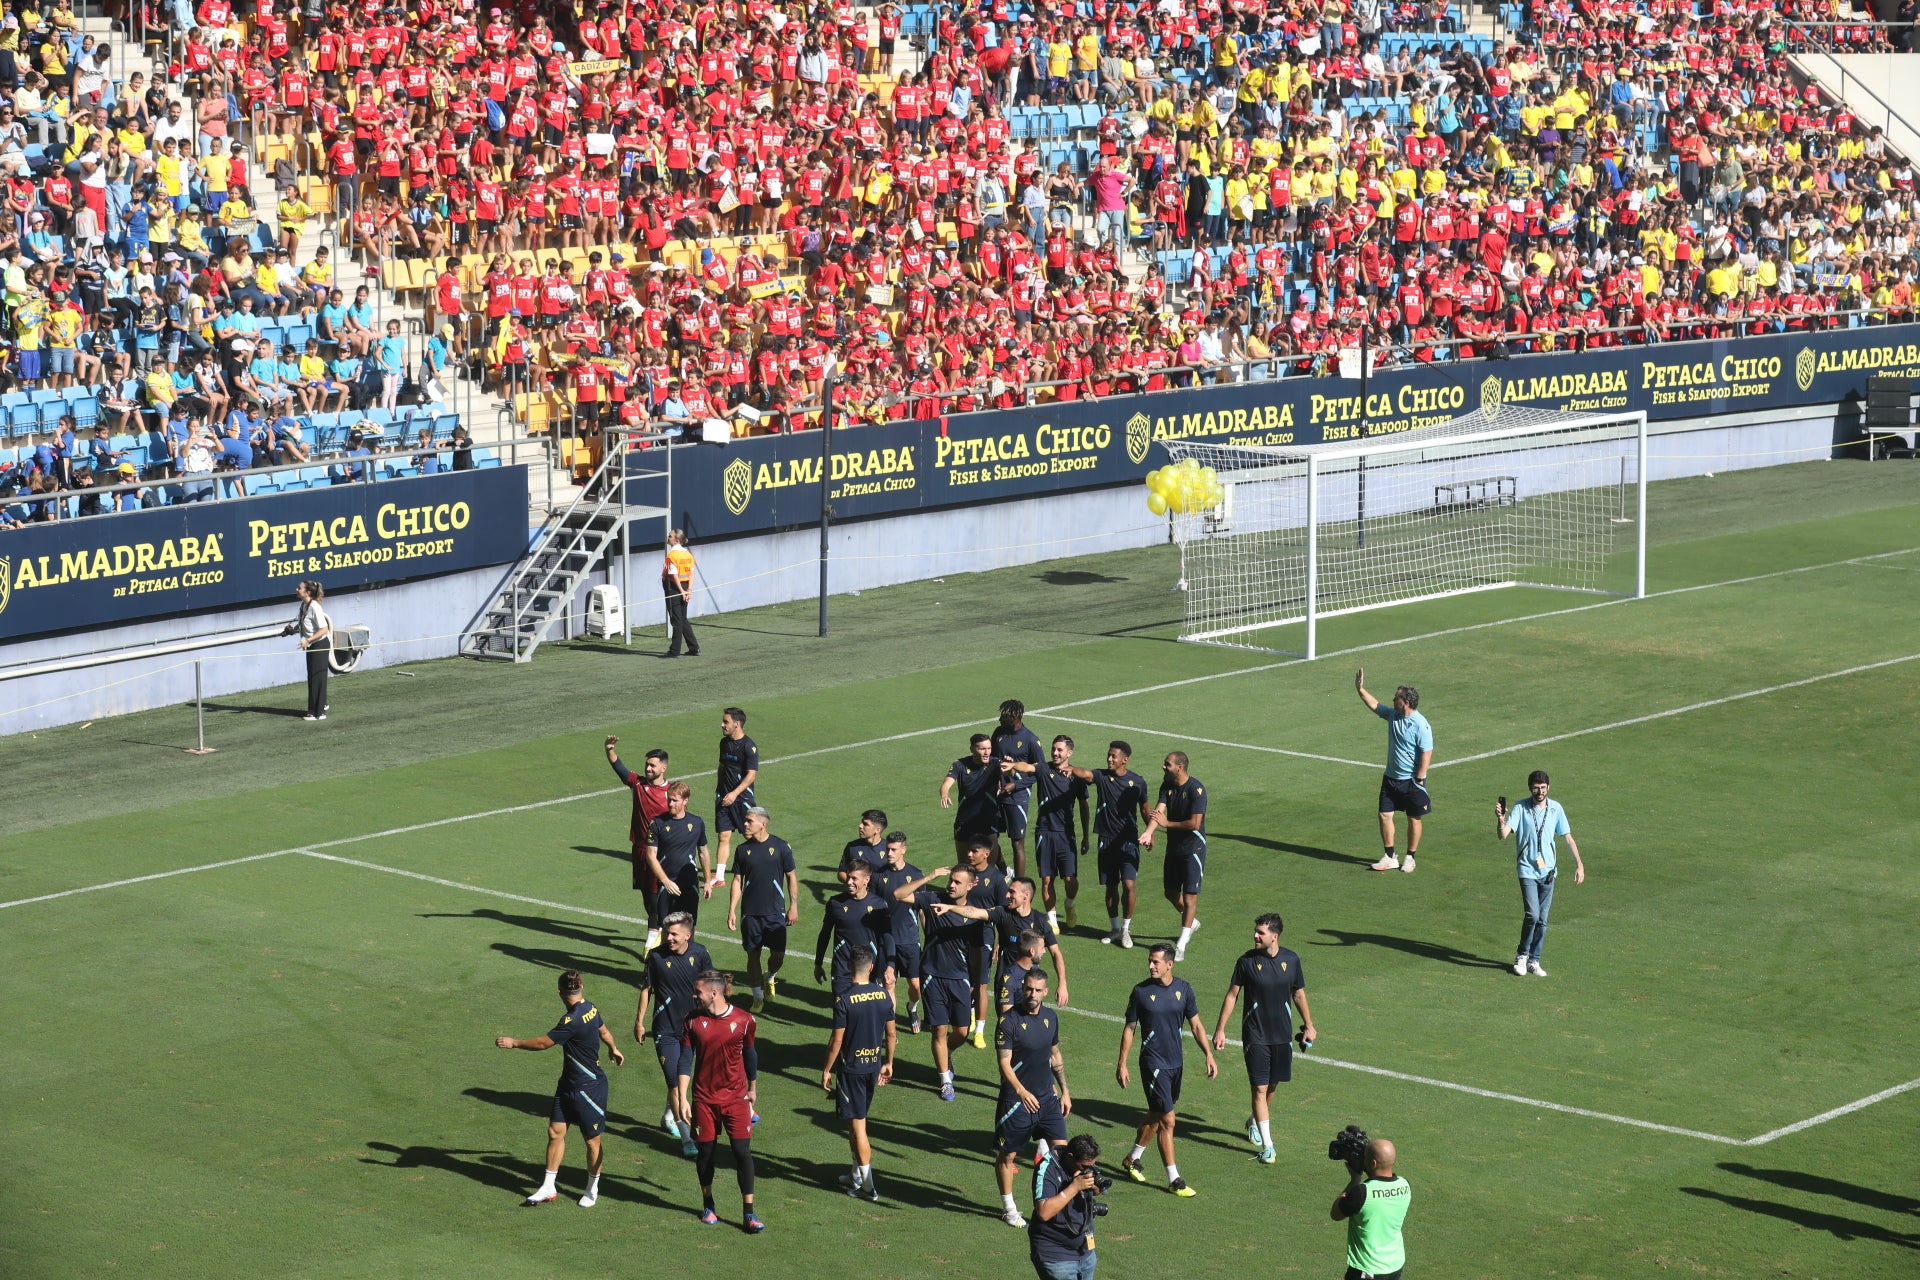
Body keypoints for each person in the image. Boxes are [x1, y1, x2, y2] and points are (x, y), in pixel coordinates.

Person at [494, 968, 626, 1207]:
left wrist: (514, 1043)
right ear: (581, 987)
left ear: (560, 993)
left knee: (592, 1141)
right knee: (555, 1132)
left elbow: (544, 1043)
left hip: (589, 1089)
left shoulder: (571, 1020)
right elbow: (604, 1030)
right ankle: (547, 1187)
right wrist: (613, 1048)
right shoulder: (590, 1008)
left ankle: (592, 1189)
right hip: (568, 1084)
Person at [1212, 913, 1314, 1165]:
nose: (1255, 935)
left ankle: (1255, 1120)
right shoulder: (1246, 962)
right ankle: (1268, 1146)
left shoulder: (1291, 960)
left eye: (1261, 932)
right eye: (1255, 931)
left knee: (1272, 1086)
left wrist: (1310, 1026)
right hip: (1255, 1035)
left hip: (1282, 1035)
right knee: (1259, 1087)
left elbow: (1299, 995)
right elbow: (1232, 995)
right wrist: (1220, 1029)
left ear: (1274, 936)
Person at [1116, 944, 1216, 1197]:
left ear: (1169, 964)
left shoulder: (1184, 989)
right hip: (1153, 1064)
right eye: (1150, 961)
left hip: (1175, 1064)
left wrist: (1208, 1054)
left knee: (1155, 1115)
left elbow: (1195, 1025)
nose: (1151, 965)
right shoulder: (1140, 992)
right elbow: (1130, 1028)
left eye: (1156, 962)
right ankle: (1174, 1179)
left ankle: (1132, 1159)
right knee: (1168, 1120)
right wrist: (1122, 1063)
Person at [676, 970, 765, 1232]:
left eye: (698, 992)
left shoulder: (745, 1020)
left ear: (714, 993)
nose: (695, 995)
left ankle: (749, 1213)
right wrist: (682, 1097)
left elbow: (750, 1055)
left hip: (736, 1099)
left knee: (742, 1153)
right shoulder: (692, 1021)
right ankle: (708, 1203)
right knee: (706, 1153)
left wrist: (752, 1089)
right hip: (704, 1099)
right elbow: (684, 1060)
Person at [890, 862, 986, 1099]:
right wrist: (929, 875)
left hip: (960, 979)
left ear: (972, 885)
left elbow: (975, 952)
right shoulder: (933, 898)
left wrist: (975, 982)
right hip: (932, 976)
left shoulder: (975, 915)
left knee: (962, 1032)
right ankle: (945, 1080)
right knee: (939, 1031)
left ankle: (947, 1054)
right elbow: (898, 894)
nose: (951, 885)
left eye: (957, 882)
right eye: (951, 880)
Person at [993, 967, 1072, 1228]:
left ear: (1046, 992)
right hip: (1016, 1103)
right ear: (1022, 988)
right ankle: (1009, 1208)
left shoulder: (1050, 1018)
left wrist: (1065, 1091)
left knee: (1063, 1153)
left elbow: (1055, 1055)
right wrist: (1021, 1091)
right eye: (1028, 989)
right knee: (1008, 1156)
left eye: (1038, 990)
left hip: (1047, 1099)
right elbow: (1004, 1063)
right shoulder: (1009, 1021)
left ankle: (1055, 1203)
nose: (1032, 994)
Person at [820, 944, 897, 1202]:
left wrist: (827, 1069)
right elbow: (892, 1034)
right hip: (873, 1067)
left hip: (851, 1070)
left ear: (848, 967)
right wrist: (889, 1062)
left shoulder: (844, 999)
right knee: (856, 1124)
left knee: (858, 1126)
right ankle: (855, 1174)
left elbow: (836, 1042)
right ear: (872, 967)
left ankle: (868, 1187)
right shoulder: (884, 995)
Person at [634, 912, 713, 1155]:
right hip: (665, 1030)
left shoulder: (700, 954)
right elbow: (646, 989)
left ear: (688, 935)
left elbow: (711, 988)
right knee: (676, 1083)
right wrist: (639, 1022)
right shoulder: (656, 957)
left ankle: (669, 1116)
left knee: (687, 1079)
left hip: (693, 1028)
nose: (669, 937)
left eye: (674, 934)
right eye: (667, 933)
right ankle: (687, 1139)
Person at [1495, 771, 1585, 977]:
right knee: (1532, 915)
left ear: (1548, 788)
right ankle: (1522, 955)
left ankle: (1534, 960)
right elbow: (1503, 835)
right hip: (1527, 870)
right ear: (1530, 788)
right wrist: (1500, 818)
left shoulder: (1556, 809)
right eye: (1536, 788)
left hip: (1549, 872)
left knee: (1543, 919)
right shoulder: (1520, 808)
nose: (1540, 792)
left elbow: (1568, 838)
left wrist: (1579, 864)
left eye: (1543, 788)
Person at [1064, 742, 1152, 948]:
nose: (1109, 759)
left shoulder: (1137, 782)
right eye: (1108, 755)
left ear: (1125, 759)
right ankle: (1114, 928)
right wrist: (1071, 769)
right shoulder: (1102, 776)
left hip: (1128, 841)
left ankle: (1125, 930)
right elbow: (1085, 774)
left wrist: (1150, 832)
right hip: (1106, 840)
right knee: (1111, 886)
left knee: (1129, 885)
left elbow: (1145, 807)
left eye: (1113, 756)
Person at [1355, 670, 1433, 873]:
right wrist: (1360, 689)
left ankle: (1410, 857)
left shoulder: (1420, 725)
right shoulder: (1393, 715)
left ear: (1405, 701)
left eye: (1396, 696)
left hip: (1411, 780)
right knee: (1384, 815)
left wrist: (1420, 778)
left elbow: (1427, 752)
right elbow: (1375, 705)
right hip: (1390, 778)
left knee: (1413, 818)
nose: (1393, 699)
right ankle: (1390, 856)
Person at [726, 805, 798, 1012]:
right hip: (750, 913)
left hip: (775, 912)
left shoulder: (781, 847)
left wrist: (793, 905)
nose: (745, 824)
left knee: (778, 956)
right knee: (753, 955)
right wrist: (732, 909)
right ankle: (757, 996)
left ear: (763, 823)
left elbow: (791, 876)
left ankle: (770, 976)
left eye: (749, 821)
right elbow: (738, 881)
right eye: (745, 820)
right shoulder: (742, 850)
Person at [1138, 751, 1208, 961]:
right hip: (1174, 847)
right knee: (1170, 892)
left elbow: (1195, 823)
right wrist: (1148, 833)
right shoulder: (1166, 786)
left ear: (1179, 767)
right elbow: (1158, 812)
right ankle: (1191, 922)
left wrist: (1167, 824)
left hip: (1193, 849)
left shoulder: (1197, 789)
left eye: (1167, 764)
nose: (1163, 767)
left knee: (1189, 897)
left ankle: (1181, 943)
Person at [606, 736, 671, 928]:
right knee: (646, 899)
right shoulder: (638, 784)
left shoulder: (671, 793)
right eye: (647, 765)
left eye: (652, 765)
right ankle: (658, 930)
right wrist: (609, 749)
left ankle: (654, 942)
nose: (648, 768)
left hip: (659, 853)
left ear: (663, 768)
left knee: (655, 903)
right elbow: (620, 768)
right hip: (639, 851)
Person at [1027, 735, 1090, 931]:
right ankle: (1052, 920)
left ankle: (1069, 904)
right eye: (1054, 749)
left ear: (1069, 753)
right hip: (1044, 832)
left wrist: (1086, 836)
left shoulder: (1076, 777)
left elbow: (1084, 806)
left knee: (1070, 879)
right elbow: (1027, 767)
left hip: (1066, 834)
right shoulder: (1044, 769)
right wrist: (1010, 765)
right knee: (1047, 878)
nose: (1055, 753)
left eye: (1060, 750)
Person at [1330, 1136, 1410, 1280]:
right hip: (1395, 1265)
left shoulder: (1361, 1193)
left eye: (1365, 1156)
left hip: (1368, 1270)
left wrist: (1354, 1180)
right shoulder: (1405, 1185)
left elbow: (1335, 1213)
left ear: (1373, 1163)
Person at [814, 861, 897, 996]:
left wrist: (890, 966)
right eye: (848, 877)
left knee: (867, 1013)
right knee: (841, 1012)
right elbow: (825, 934)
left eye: (854, 878)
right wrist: (818, 964)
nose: (849, 882)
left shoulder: (879, 905)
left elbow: (887, 937)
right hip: (842, 970)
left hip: (869, 969)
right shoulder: (835, 903)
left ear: (866, 880)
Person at [871, 831, 925, 1033]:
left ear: (904, 850)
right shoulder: (878, 875)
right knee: (888, 983)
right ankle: (890, 1030)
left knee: (916, 985)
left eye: (893, 849)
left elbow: (922, 908)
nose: (889, 853)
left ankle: (912, 1008)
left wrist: (929, 935)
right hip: (886, 939)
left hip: (909, 939)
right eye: (887, 849)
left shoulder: (916, 875)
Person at [1030, 1133, 1102, 1280]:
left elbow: (1098, 1191)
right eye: (1085, 1166)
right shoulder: (1047, 1168)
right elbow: (1043, 1212)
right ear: (1070, 1156)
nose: (1088, 1170)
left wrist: (1095, 1187)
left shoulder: (1085, 1164)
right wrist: (1074, 1187)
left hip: (1085, 1251)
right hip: (1056, 1256)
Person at [645, 781, 714, 930]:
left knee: (688, 927)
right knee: (666, 928)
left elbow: (703, 852)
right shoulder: (657, 823)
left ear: (685, 800)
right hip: (667, 885)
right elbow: (650, 855)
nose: (670, 803)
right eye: (669, 799)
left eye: (675, 800)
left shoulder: (697, 823)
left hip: (689, 884)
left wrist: (708, 881)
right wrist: (665, 881)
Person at [991, 699, 1045, 879]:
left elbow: (1040, 772)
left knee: (1017, 844)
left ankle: (1019, 884)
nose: (1000, 719)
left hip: (1018, 797)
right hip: (997, 794)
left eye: (1004, 715)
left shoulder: (1030, 740)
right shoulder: (999, 733)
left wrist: (1016, 785)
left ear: (1016, 716)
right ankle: (1005, 871)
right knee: (989, 838)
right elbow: (992, 760)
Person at [713, 707, 759, 884]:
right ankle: (719, 876)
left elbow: (751, 775)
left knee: (750, 835)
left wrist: (734, 793)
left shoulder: (749, 746)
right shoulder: (724, 743)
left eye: (726, 722)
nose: (722, 724)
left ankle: (757, 866)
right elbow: (722, 766)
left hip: (742, 798)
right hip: (723, 797)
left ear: (737, 724)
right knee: (723, 835)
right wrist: (719, 790)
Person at [941, 732, 1003, 858]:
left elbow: (1010, 773)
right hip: (965, 820)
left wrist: (1011, 767)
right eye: (982, 749)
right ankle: (1004, 869)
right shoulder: (960, 765)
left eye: (989, 748)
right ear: (972, 749)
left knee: (989, 862)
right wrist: (944, 794)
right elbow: (947, 783)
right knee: (964, 863)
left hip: (988, 819)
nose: (987, 752)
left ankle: (1004, 869)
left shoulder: (995, 763)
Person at [284, 580, 331, 721]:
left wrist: (308, 640)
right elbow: (303, 622)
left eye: (299, 588)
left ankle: (319, 712)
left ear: (307, 592)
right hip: (311, 645)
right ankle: (315, 708)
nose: (296, 589)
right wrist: (292, 630)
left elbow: (324, 629)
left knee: (318, 677)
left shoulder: (315, 607)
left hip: (320, 645)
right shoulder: (304, 605)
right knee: (312, 677)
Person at [662, 528, 700, 657]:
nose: (668, 537)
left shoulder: (672, 555)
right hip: (684, 586)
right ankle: (694, 648)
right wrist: (689, 590)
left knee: (676, 620)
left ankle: (674, 651)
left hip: (673, 588)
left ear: (676, 540)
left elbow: (673, 576)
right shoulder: (688, 554)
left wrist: (682, 592)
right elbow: (691, 573)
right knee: (683, 618)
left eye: (670, 536)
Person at [838, 809, 890, 884]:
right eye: (861, 822)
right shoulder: (852, 847)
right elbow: (841, 872)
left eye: (865, 824)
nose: (860, 826)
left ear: (877, 830)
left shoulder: (889, 849)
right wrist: (857, 884)